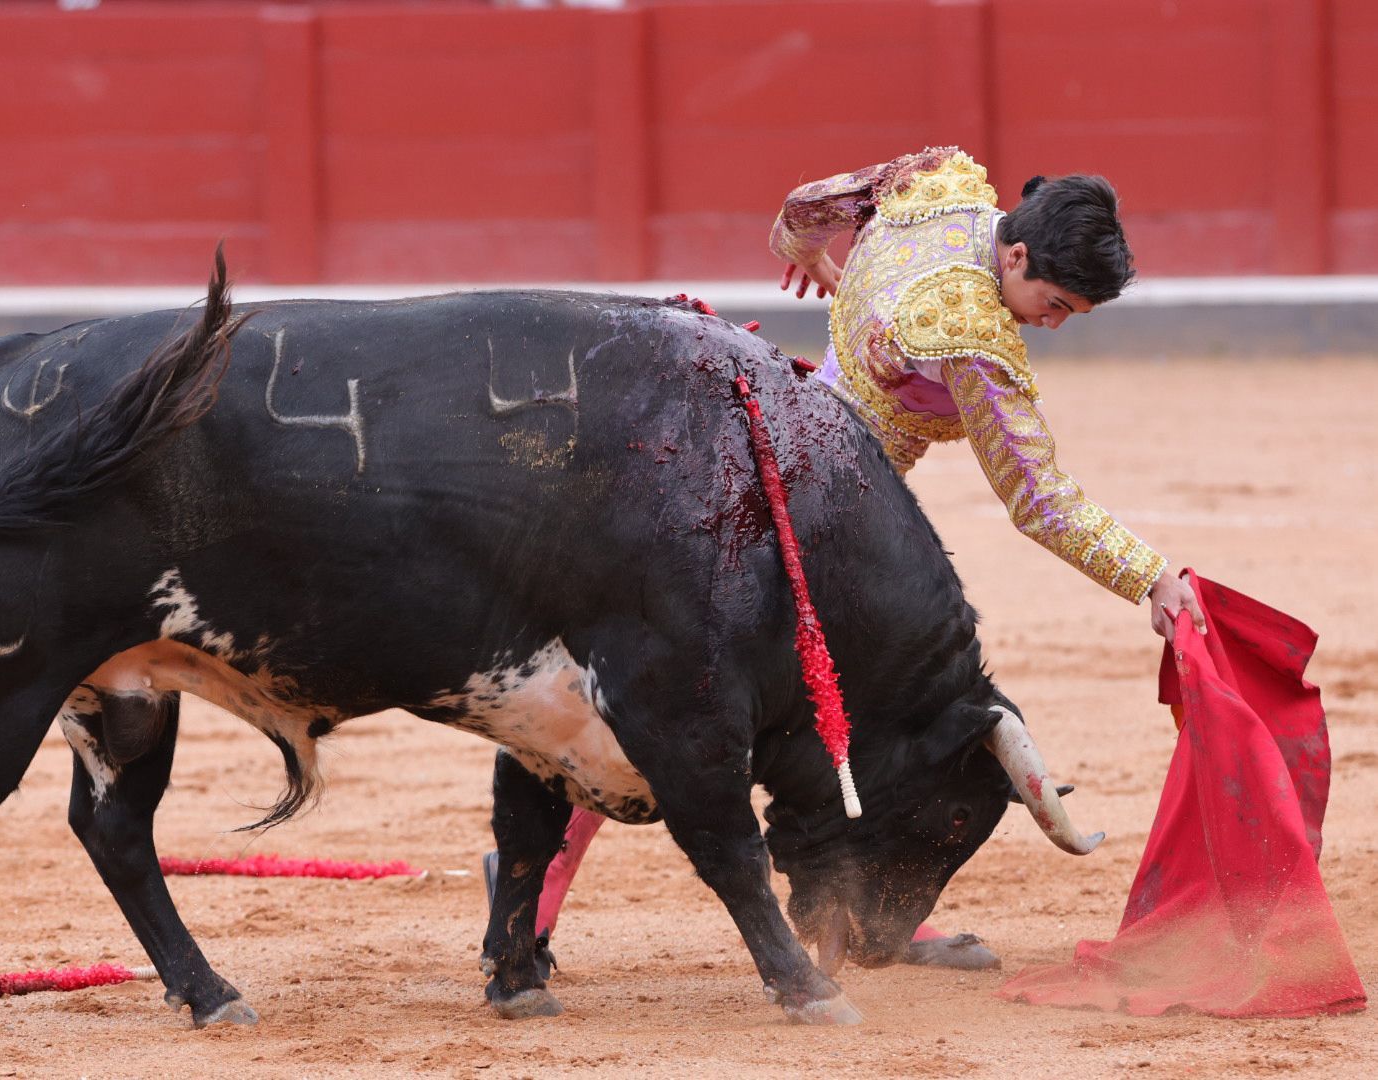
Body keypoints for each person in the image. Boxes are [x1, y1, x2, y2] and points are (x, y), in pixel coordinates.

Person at [484, 145, 1206, 975]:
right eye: (1054, 302)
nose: (1053, 323)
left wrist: (812, 261)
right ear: (1015, 255)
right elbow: (1037, 499)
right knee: (674, 703)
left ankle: (867, 898)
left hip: (754, 449)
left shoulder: (942, 191)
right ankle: (540, 886)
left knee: (742, 697)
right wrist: (1148, 574)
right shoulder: (971, 336)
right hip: (822, 523)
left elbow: (802, 205)